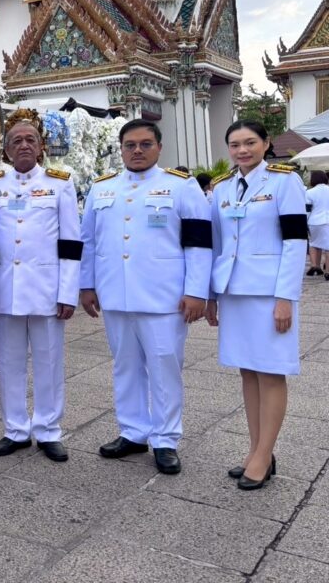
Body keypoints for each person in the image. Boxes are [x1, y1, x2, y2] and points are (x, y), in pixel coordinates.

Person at [80, 119, 213, 475]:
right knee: (125, 366)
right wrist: (86, 285)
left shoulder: (181, 186)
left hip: (164, 298)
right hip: (116, 294)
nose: (137, 151)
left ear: (159, 147)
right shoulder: (102, 188)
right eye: (130, 145)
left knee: (164, 367)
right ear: (120, 148)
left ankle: (166, 439)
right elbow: (89, 243)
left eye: (145, 144)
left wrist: (196, 291)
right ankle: (133, 431)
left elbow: (199, 243)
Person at [206, 121, 307, 490]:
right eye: (234, 144)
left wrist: (286, 298)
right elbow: (217, 245)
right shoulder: (221, 188)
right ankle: (255, 450)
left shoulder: (284, 181)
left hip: (268, 293)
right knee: (247, 371)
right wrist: (213, 297)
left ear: (266, 144)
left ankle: (264, 455)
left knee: (270, 371)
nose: (242, 150)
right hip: (233, 291)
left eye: (250, 142)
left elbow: (295, 241)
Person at [0, 111, 81, 463]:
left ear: (41, 148)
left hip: (46, 288)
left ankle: (49, 430)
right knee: (8, 363)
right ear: (6, 151)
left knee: (48, 360)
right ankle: (15, 429)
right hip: (5, 289)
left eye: (30, 140)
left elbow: (71, 242)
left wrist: (68, 292)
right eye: (15, 141)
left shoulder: (60, 182)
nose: (23, 145)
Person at [305, 170, 329, 277]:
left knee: (314, 243)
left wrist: (305, 221)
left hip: (314, 221)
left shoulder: (309, 192)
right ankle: (328, 271)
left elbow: (307, 209)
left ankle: (315, 265)